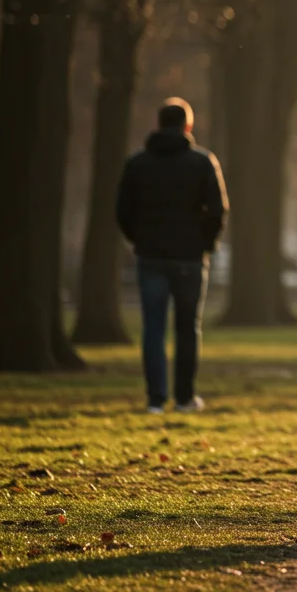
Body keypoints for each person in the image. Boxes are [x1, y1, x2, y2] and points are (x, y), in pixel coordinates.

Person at [115, 98, 227, 415]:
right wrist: (205, 243)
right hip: (189, 256)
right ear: (187, 126)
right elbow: (218, 210)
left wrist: (139, 239)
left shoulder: (137, 164)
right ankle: (184, 397)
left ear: (158, 125)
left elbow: (123, 211)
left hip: (151, 255)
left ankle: (155, 399)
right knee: (187, 328)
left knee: (153, 328)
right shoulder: (202, 162)